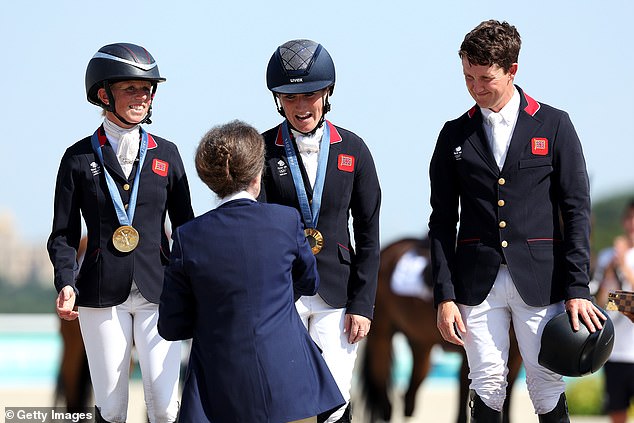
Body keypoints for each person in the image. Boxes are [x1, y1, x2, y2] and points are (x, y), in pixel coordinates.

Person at [428, 20, 606, 422]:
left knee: (545, 385)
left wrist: (578, 287)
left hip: (542, 281)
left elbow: (577, 211)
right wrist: (444, 295)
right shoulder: (452, 134)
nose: (475, 87)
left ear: (512, 70)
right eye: (468, 77)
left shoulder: (555, 124)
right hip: (476, 282)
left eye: (485, 78)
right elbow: (441, 222)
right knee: (487, 382)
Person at [158, 120, 344, 423]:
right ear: (257, 176)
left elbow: (170, 325)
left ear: (209, 180)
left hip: (218, 390)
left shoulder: (188, 236)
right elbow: (309, 282)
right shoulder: (285, 220)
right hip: (290, 381)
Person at [48, 43, 194, 423]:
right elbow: (63, 234)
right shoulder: (77, 158)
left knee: (164, 407)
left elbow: (186, 228)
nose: (142, 97)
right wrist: (65, 281)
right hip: (100, 295)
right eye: (131, 88)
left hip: (158, 291)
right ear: (103, 93)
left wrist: (193, 282)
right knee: (112, 408)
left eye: (147, 89)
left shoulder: (168, 155)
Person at [260, 39, 381, 423]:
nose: (300, 106)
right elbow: (255, 230)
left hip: (337, 294)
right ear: (278, 99)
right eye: (289, 97)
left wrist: (363, 305)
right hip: (284, 292)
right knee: (282, 397)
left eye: (309, 95)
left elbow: (368, 234)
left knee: (336, 400)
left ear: (326, 93)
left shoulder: (354, 149)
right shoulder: (262, 149)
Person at [594, 200, 634, 423]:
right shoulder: (607, 256)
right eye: (629, 218)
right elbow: (602, 303)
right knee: (617, 413)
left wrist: (625, 268)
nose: (632, 224)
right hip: (615, 351)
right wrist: (610, 270)